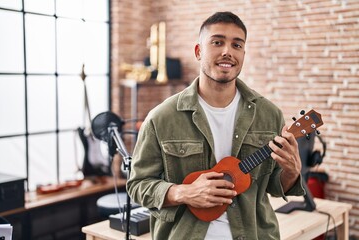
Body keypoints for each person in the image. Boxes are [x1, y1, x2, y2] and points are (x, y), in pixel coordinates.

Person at [127, 11, 305, 240]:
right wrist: (184, 192)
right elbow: (137, 186)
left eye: (237, 45)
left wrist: (291, 171)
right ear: (199, 51)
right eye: (217, 42)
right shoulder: (161, 118)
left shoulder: (269, 115)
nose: (227, 52)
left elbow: (274, 185)